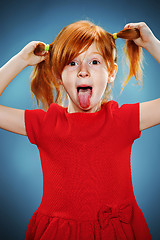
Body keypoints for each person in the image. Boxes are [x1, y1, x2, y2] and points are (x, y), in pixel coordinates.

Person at [0, 20, 159, 240]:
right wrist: (20, 60)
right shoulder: (46, 124)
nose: (83, 71)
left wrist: (152, 43)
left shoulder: (123, 120)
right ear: (58, 75)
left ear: (111, 72)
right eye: (72, 63)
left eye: (94, 61)